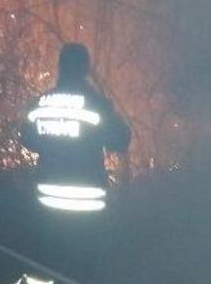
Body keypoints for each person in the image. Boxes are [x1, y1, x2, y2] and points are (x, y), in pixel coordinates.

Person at [21, 43, 131, 211]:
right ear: (86, 69)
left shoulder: (40, 104)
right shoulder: (98, 104)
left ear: (60, 66)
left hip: (48, 202)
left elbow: (27, 139)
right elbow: (121, 140)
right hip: (89, 203)